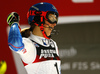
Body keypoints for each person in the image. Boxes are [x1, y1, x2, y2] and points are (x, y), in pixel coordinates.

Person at [7, 2, 61, 74]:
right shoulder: (30, 45)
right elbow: (15, 43)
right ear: (38, 18)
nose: (54, 24)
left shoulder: (53, 44)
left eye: (56, 19)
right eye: (51, 18)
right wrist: (14, 23)